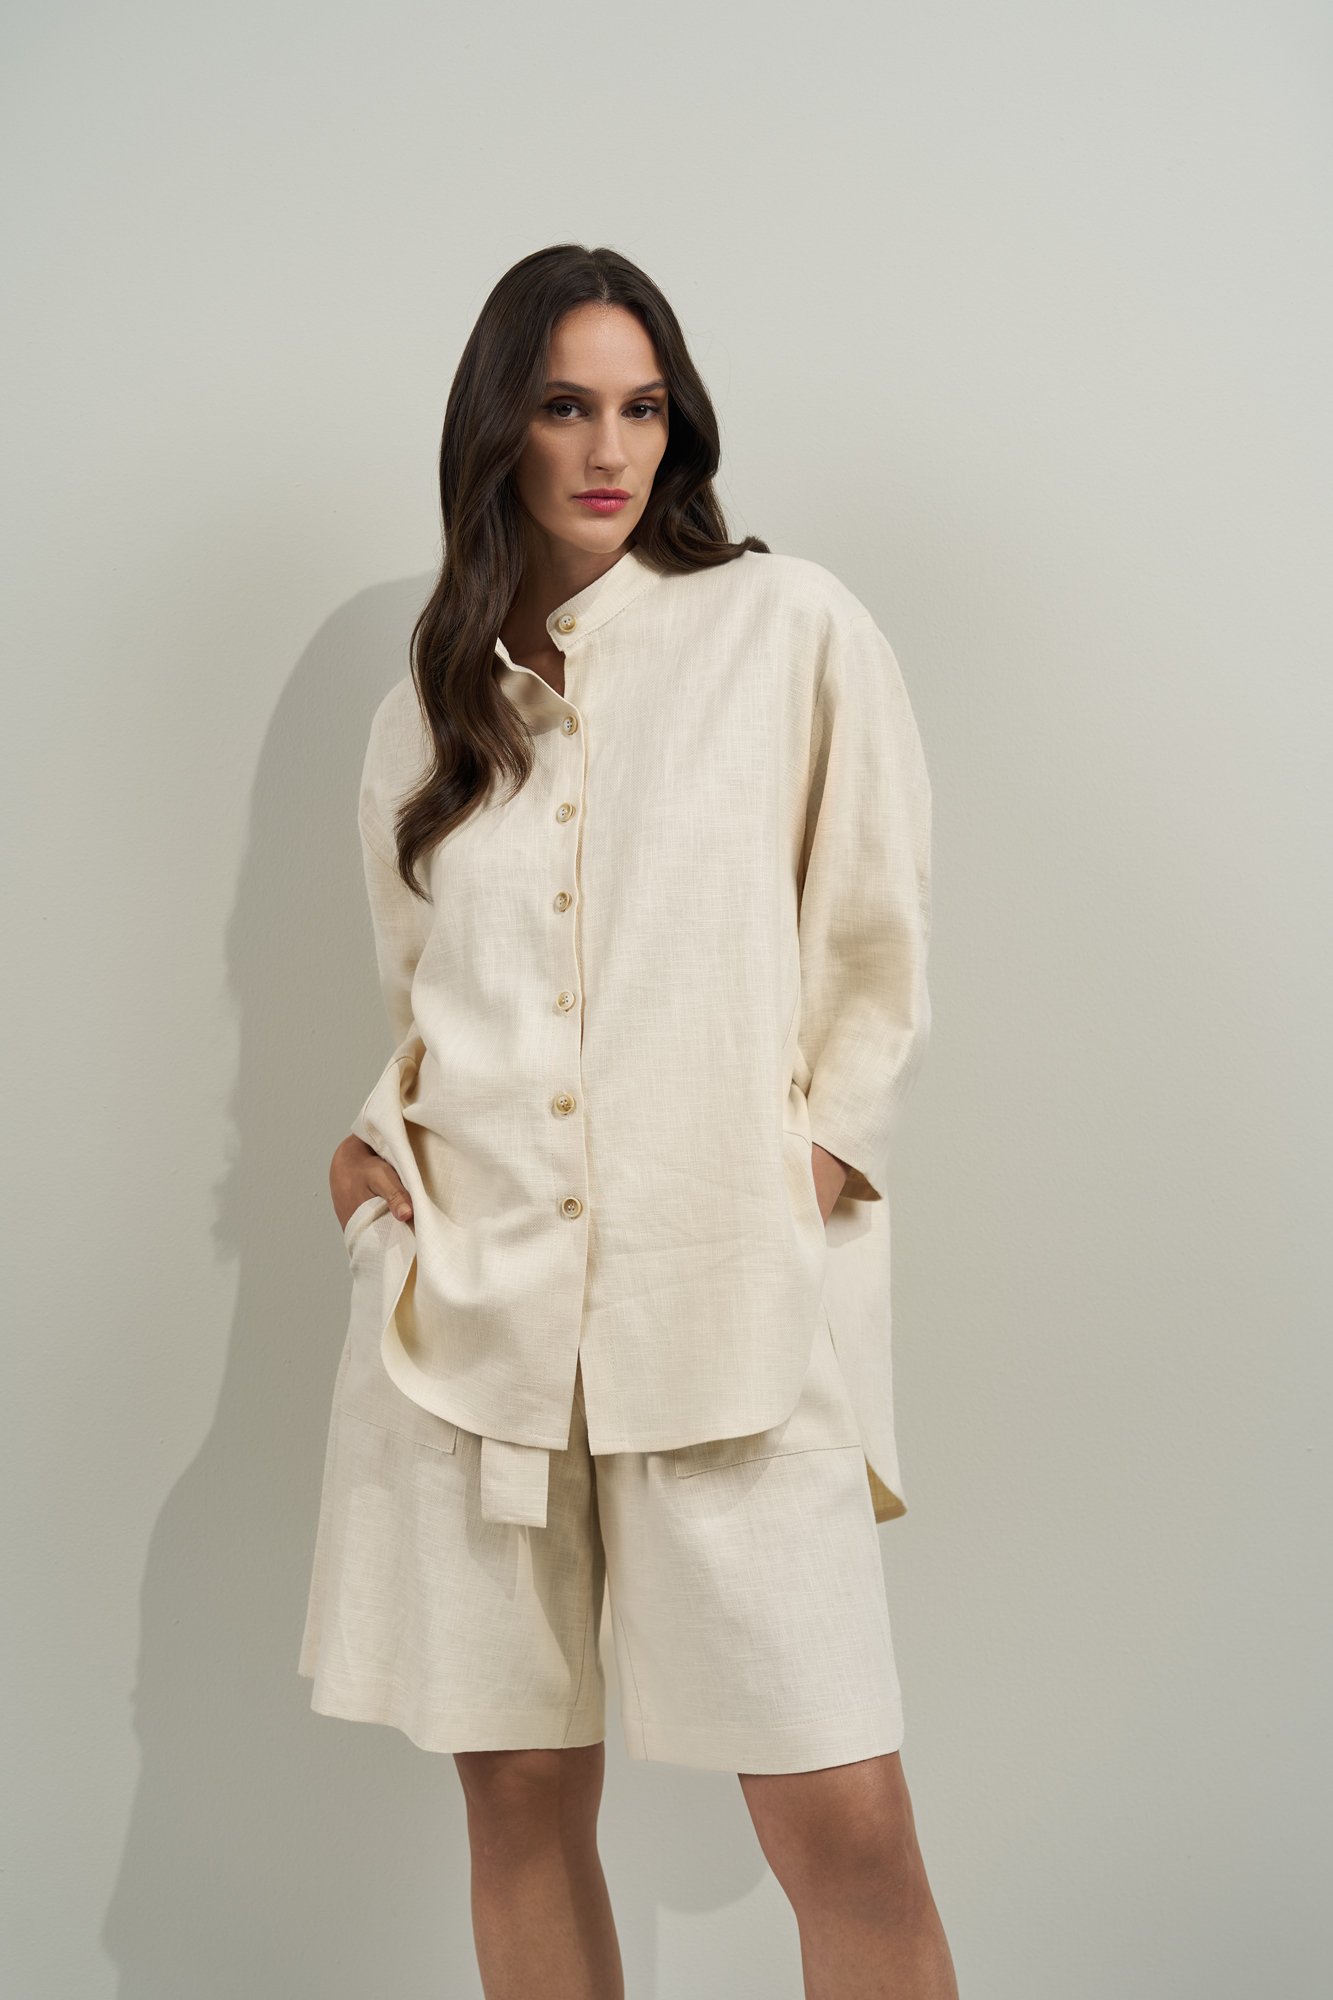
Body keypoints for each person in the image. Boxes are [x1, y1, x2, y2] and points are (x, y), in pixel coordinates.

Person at [298, 243, 959, 1999]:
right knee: (518, 1800)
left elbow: (872, 956)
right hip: (471, 1327)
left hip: (724, 1306)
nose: (610, 449)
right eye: (565, 406)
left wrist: (797, 1178)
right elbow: (424, 1000)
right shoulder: (426, 707)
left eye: (643, 407)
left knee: (843, 1822)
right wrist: (368, 1171)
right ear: (495, 430)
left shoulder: (786, 627)